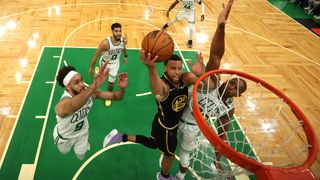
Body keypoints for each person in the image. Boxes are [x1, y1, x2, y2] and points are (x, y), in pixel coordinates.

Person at [103, 51, 211, 180]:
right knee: (169, 156)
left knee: (153, 143)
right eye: (172, 68)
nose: (177, 72)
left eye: (179, 68)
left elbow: (209, 87)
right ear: (165, 68)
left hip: (160, 121)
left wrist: (201, 74)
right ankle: (164, 176)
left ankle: (120, 136)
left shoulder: (186, 78)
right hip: (167, 129)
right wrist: (151, 67)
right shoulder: (163, 84)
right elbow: (156, 88)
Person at [174, 0, 247, 179]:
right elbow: (216, 55)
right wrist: (220, 28)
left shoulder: (228, 110)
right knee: (164, 144)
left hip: (192, 126)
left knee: (184, 154)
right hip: (176, 111)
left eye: (235, 88)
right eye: (232, 82)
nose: (230, 86)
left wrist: (218, 158)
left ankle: (180, 176)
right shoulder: (213, 81)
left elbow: (222, 134)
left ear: (237, 95)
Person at [53, 63, 128, 160]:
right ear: (68, 87)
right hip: (65, 137)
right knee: (64, 152)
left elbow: (116, 96)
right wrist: (93, 86)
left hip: (82, 134)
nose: (82, 84)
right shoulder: (62, 104)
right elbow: (72, 106)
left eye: (81, 80)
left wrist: (122, 88)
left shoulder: (91, 93)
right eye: (76, 82)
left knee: (81, 156)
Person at [88, 23, 128, 107]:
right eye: (116, 31)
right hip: (104, 63)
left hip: (115, 65)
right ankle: (98, 70)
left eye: (120, 31)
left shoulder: (123, 40)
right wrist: (91, 67)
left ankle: (108, 97)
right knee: (100, 77)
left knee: (111, 83)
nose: (119, 33)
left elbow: (123, 48)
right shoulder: (105, 43)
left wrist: (125, 56)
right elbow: (96, 55)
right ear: (112, 31)